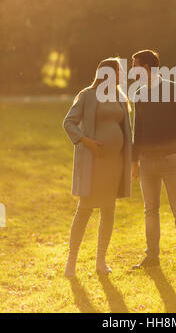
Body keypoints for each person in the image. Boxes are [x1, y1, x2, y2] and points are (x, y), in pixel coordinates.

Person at [131, 49, 176, 269]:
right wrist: (134, 162)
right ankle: (152, 257)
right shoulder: (140, 94)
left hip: (170, 160)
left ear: (145, 68)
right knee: (150, 210)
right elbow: (139, 131)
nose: (132, 70)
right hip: (147, 162)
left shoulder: (173, 89)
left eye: (135, 65)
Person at [63, 57, 132, 276]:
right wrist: (87, 142)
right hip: (94, 162)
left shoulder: (120, 97)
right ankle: (71, 262)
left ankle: (101, 262)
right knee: (84, 211)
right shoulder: (87, 96)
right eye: (118, 71)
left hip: (115, 163)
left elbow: (125, 128)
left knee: (109, 211)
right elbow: (68, 122)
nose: (121, 74)